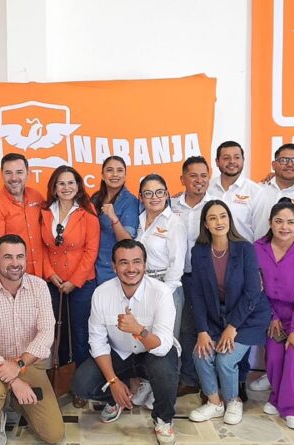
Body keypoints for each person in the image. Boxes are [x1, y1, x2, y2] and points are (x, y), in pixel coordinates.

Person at [72, 239, 180, 445]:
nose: (131, 269)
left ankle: (163, 419)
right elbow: (97, 342)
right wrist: (113, 382)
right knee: (81, 384)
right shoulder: (101, 293)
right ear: (114, 266)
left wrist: (138, 330)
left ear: (145, 265)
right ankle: (117, 397)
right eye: (123, 262)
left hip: (151, 352)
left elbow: (163, 346)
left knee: (165, 370)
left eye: (136, 262)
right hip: (119, 352)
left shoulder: (161, 292)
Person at [0, 235, 63, 445]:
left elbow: (46, 334)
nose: (15, 263)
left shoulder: (39, 287)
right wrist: (14, 380)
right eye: (8, 257)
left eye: (20, 256)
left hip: (30, 363)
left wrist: (19, 365)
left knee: (54, 435)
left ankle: (14, 402)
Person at [187, 200, 271, 425]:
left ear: (229, 219)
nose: (219, 222)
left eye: (223, 216)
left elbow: (252, 292)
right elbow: (197, 294)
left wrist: (232, 327)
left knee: (225, 360)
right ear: (205, 224)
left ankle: (233, 401)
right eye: (212, 218)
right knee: (201, 354)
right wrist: (202, 331)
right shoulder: (199, 251)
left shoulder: (244, 249)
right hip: (217, 317)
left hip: (248, 317)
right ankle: (215, 403)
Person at [249, 143, 294, 393]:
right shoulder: (259, 189)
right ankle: (274, 377)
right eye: (284, 160)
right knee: (272, 341)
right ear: (274, 164)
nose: (289, 165)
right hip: (266, 263)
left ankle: (291, 388)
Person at [207, 141, 267, 400]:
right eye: (226, 157)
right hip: (213, 264)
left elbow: (262, 235)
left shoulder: (256, 192)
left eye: (236, 157)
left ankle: (239, 381)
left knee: (239, 323)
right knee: (215, 322)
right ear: (217, 161)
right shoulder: (208, 188)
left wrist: (257, 271)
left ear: (243, 159)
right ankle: (214, 384)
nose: (231, 161)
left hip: (243, 267)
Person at [254, 198, 294, 430]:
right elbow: (255, 287)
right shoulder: (257, 249)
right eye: (279, 221)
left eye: (290, 222)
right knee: (274, 357)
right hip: (272, 314)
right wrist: (272, 316)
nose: (284, 227)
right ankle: (276, 397)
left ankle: (291, 408)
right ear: (270, 222)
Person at [40, 166, 100, 407]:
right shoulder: (45, 213)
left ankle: (82, 387)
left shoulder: (88, 214)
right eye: (61, 183)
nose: (66, 187)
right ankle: (62, 382)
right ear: (54, 188)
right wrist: (50, 273)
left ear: (78, 187)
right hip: (53, 283)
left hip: (81, 285)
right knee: (58, 335)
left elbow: (91, 251)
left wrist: (74, 281)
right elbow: (41, 248)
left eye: (70, 183)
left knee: (80, 336)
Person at [131, 174, 186, 409]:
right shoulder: (138, 219)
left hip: (166, 289)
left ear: (166, 194)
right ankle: (147, 383)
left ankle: (162, 390)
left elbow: (177, 265)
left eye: (159, 192)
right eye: (148, 193)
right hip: (142, 288)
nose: (154, 197)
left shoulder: (174, 223)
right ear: (141, 197)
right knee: (145, 338)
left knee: (166, 343)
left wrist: (163, 293)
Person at [171, 156, 212, 397]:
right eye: (193, 175)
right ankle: (188, 378)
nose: (199, 180)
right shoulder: (171, 204)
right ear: (183, 179)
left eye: (203, 175)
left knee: (209, 327)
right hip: (180, 278)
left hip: (208, 278)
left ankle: (211, 383)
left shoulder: (216, 205)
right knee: (186, 329)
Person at [0, 153, 45, 277]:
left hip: (44, 276)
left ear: (27, 173)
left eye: (19, 172)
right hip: (15, 278)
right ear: (2, 174)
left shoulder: (37, 196)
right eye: (8, 173)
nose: (14, 178)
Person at [90, 156, 139, 284]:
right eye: (109, 170)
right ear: (102, 175)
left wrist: (114, 218)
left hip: (113, 270)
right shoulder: (95, 198)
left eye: (119, 170)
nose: (115, 174)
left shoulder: (130, 201)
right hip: (91, 268)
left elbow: (127, 242)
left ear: (125, 175)